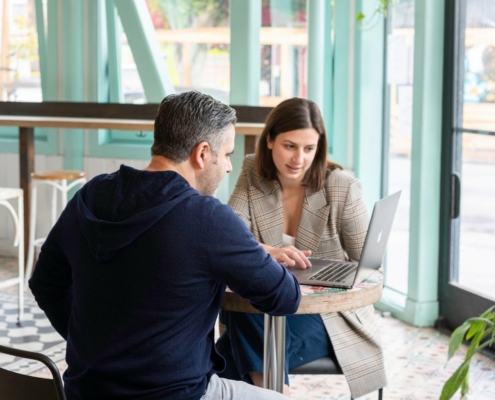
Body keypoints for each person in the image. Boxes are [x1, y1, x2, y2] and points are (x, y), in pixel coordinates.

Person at [29, 91, 301, 400]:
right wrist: (254, 251)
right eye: (226, 154)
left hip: (86, 392)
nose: (228, 167)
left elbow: (45, 283)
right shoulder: (208, 218)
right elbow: (284, 297)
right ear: (201, 154)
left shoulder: (89, 196)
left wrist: (94, 348)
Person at [216, 97, 387, 399]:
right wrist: (266, 250)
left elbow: (370, 267)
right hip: (267, 306)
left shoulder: (342, 186)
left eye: (310, 149)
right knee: (247, 317)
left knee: (222, 353)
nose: (299, 159)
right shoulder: (252, 171)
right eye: (290, 146)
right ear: (269, 140)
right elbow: (231, 236)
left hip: (327, 315)